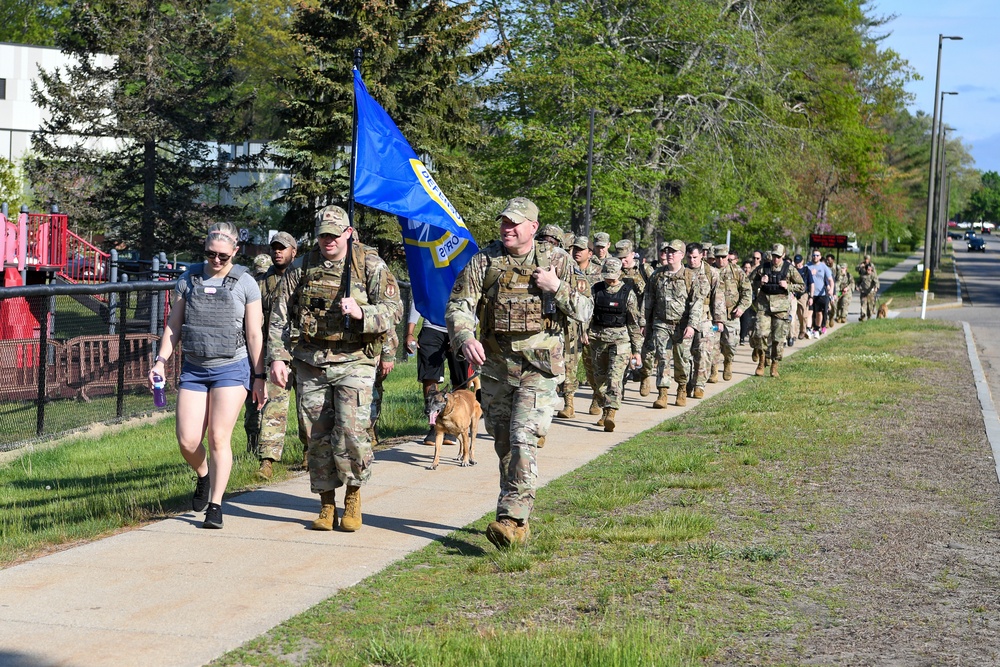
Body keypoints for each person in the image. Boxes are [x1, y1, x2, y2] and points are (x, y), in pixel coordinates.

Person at [446, 197, 593, 549]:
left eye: (515, 223)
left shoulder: (558, 262)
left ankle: (511, 519)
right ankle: (517, 515)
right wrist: (465, 336)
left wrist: (556, 288)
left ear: (533, 228)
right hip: (497, 369)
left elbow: (587, 309)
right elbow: (459, 305)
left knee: (522, 437)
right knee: (503, 442)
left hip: (539, 369)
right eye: (504, 222)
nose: (507, 228)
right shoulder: (485, 260)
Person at [268, 205, 403, 533]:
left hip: (355, 360)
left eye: (334, 234)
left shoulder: (368, 264)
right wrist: (277, 358)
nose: (328, 240)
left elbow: (394, 310)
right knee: (316, 436)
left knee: (351, 432)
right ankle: (326, 503)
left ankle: (353, 496)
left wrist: (362, 313)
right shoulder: (302, 267)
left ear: (347, 233)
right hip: (312, 362)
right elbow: (280, 315)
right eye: (323, 235)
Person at [149, 222, 265, 530]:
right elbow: (173, 325)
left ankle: (215, 504)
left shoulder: (246, 283)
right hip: (195, 368)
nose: (216, 260)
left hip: (232, 366)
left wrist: (260, 375)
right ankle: (203, 475)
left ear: (235, 252)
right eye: (210, 254)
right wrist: (160, 360)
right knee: (187, 441)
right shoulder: (188, 280)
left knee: (218, 436)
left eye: (223, 256)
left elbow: (254, 334)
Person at [644, 239, 703, 408]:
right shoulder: (657, 275)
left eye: (673, 252)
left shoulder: (690, 277)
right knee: (662, 357)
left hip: (682, 325)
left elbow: (696, 303)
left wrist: (692, 325)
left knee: (682, 360)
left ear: (681, 255)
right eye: (668, 251)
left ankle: (682, 389)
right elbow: (649, 299)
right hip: (661, 323)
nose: (669, 255)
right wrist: (645, 323)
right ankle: (662, 393)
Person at [405, 299, 471, 445]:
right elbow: (418, 298)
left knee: (460, 379)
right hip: (432, 328)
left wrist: (464, 333)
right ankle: (435, 426)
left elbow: (475, 301)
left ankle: (455, 424)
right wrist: (409, 332)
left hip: (460, 327)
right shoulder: (430, 275)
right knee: (430, 377)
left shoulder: (464, 276)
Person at [588, 257, 642, 432]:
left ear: (619, 273)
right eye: (607, 276)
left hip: (620, 342)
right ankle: (605, 409)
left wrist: (636, 350)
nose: (610, 280)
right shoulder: (595, 290)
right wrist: (583, 333)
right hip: (598, 340)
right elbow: (587, 315)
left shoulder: (628, 293)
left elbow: (633, 324)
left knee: (614, 378)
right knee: (599, 380)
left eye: (613, 276)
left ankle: (611, 412)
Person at [749, 243, 804, 377]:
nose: (775, 259)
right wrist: (760, 282)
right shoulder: (764, 267)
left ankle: (774, 364)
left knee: (778, 339)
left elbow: (802, 287)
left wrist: (789, 286)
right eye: (774, 256)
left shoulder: (789, 269)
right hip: (764, 306)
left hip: (781, 309)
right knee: (760, 333)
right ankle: (761, 361)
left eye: (778, 256)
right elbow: (749, 281)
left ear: (783, 256)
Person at [616, 239, 655, 395]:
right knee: (621, 355)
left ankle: (644, 376)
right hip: (622, 320)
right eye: (619, 258)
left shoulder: (644, 270)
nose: (622, 261)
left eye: (625, 257)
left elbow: (653, 293)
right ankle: (620, 387)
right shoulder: (615, 271)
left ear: (633, 254)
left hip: (642, 320)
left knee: (646, 354)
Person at [687, 243, 725, 398]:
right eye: (689, 257)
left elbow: (719, 297)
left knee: (704, 352)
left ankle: (699, 385)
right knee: (687, 355)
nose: (692, 261)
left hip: (705, 318)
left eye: (695, 257)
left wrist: (719, 319)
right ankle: (688, 383)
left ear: (702, 255)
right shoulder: (683, 272)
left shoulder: (712, 273)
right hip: (686, 318)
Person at [570, 235, 603, 414]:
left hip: (592, 326)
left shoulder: (599, 273)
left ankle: (597, 397)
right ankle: (569, 404)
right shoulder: (568, 269)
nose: (576, 252)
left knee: (593, 367)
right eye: (574, 249)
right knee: (569, 366)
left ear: (590, 253)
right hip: (571, 325)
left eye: (580, 249)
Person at [713, 244, 751, 381]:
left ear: (728, 256)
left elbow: (747, 292)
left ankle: (728, 361)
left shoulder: (736, 271)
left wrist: (741, 307)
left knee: (730, 344)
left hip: (731, 316)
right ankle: (714, 369)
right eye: (717, 257)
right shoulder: (709, 271)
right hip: (713, 317)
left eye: (723, 257)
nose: (720, 260)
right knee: (713, 344)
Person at [807, 250, 834, 336]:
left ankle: (817, 328)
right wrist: (811, 274)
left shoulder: (824, 267)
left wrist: (831, 289)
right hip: (809, 294)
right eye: (814, 255)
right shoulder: (807, 266)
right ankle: (808, 329)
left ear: (820, 256)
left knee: (819, 313)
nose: (815, 257)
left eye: (817, 255)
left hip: (820, 294)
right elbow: (802, 277)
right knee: (809, 312)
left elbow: (830, 280)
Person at [790, 253, 813, 344]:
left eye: (799, 262)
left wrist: (811, 296)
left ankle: (803, 330)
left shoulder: (806, 270)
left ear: (802, 261)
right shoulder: (792, 270)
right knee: (793, 314)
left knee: (803, 315)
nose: (798, 264)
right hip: (794, 294)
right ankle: (793, 334)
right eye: (796, 262)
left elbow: (811, 283)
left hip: (803, 295)